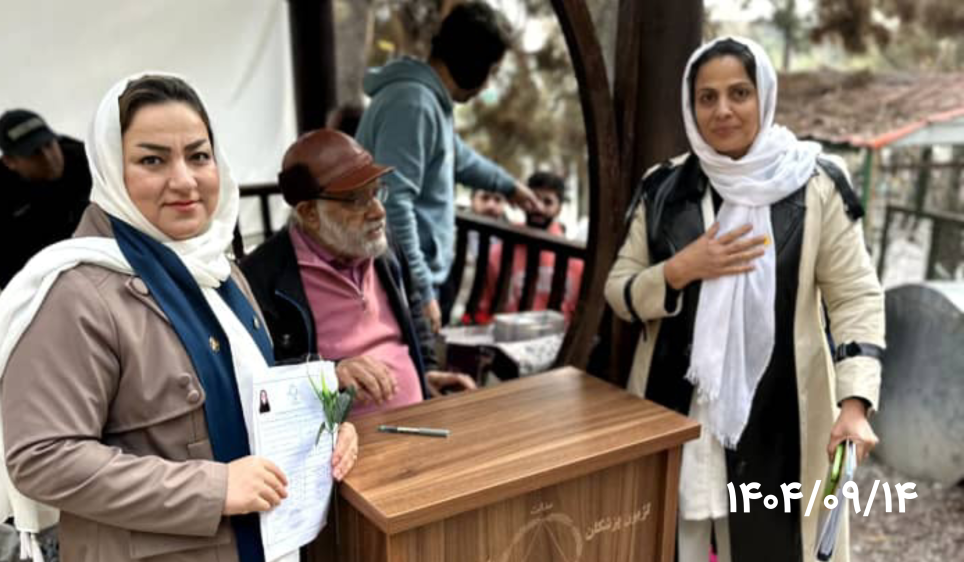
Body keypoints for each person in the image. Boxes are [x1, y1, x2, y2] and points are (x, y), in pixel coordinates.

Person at [0, 74, 357, 562]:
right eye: (152, 160)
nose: (184, 180)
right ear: (111, 169)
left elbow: (253, 387)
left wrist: (323, 428)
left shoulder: (218, 268)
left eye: (198, 155)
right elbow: (42, 458)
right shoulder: (75, 296)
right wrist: (214, 488)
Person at [604, 37, 884, 562]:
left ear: (764, 96)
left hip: (780, 415)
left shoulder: (814, 184)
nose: (723, 110)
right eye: (707, 97)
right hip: (675, 412)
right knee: (672, 543)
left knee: (773, 546)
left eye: (739, 93)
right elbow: (619, 291)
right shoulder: (664, 188)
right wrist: (680, 270)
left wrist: (854, 405)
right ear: (691, 106)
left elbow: (854, 298)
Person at [241, 130, 476, 417]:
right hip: (341, 439)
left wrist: (427, 370)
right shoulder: (262, 278)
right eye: (355, 200)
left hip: (421, 417)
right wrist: (331, 372)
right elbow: (256, 381)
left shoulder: (382, 246)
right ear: (310, 213)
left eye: (376, 192)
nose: (378, 211)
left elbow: (413, 308)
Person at [356, 1, 543, 331]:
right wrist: (421, 290)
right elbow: (393, 203)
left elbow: (457, 157)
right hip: (402, 283)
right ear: (474, 60)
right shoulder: (413, 104)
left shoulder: (428, 101)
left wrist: (508, 186)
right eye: (492, 72)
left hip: (415, 277)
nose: (488, 85)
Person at [0, 109, 92, 289]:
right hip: (49, 289)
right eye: (34, 152)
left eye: (49, 145)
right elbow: (1, 268)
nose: (48, 157)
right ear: (10, 161)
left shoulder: (93, 165)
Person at [477, 171, 584, 322]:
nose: (538, 208)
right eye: (533, 200)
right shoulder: (498, 252)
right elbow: (484, 305)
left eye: (547, 202)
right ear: (522, 203)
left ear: (559, 209)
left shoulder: (576, 261)